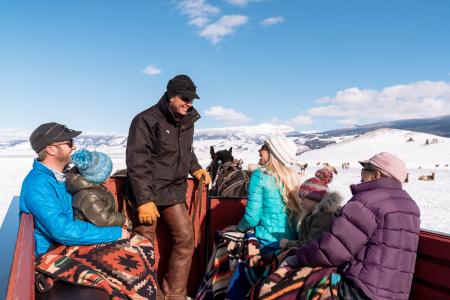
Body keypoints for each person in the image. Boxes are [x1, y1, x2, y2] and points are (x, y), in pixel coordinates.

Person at [252, 152, 420, 300]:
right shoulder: (411, 206)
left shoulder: (367, 202)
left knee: (281, 285)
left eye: (364, 170)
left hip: (357, 291)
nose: (361, 175)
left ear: (376, 175)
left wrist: (296, 256)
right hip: (397, 294)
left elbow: (331, 251)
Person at [126, 74, 212, 300]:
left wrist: (196, 168)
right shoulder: (146, 120)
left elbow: (186, 150)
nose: (189, 103)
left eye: (192, 99)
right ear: (171, 95)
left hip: (173, 192)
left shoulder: (186, 121)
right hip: (148, 192)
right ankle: (143, 294)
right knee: (144, 244)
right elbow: (137, 162)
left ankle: (174, 295)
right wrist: (144, 200)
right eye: (185, 98)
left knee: (185, 239)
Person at [196, 135, 300, 300]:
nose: (259, 150)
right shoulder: (294, 177)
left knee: (223, 240)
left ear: (273, 153)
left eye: (264, 147)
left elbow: (251, 218)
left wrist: (239, 228)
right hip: (291, 241)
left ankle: (216, 291)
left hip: (266, 242)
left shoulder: (260, 175)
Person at [20, 122, 127, 256]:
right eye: (69, 142)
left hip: (67, 243)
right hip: (52, 252)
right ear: (51, 149)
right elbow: (62, 230)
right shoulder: (38, 185)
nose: (74, 146)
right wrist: (114, 233)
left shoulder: (63, 176)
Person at [279, 167, 342, 249]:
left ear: (315, 199)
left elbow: (312, 245)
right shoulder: (314, 212)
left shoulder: (323, 215)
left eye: (303, 199)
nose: (301, 202)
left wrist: (287, 244)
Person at [66, 149, 126, 226]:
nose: (109, 177)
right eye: (107, 175)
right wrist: (123, 219)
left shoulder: (93, 187)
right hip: (93, 234)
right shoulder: (88, 195)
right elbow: (104, 219)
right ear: (96, 177)